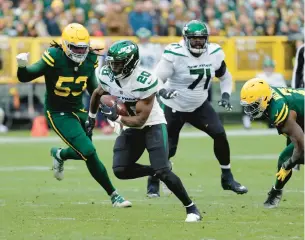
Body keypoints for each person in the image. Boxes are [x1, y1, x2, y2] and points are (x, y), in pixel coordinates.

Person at [16, 23, 131, 208]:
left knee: (85, 152)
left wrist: (109, 109)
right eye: (75, 47)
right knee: (89, 152)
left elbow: (93, 87)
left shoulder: (90, 57)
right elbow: (27, 76)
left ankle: (59, 154)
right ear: (65, 45)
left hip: (79, 110)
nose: (79, 51)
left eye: (82, 48)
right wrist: (22, 66)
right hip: (58, 113)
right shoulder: (54, 56)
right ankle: (114, 195)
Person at [86, 40, 202, 222]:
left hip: (152, 124)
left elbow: (140, 119)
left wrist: (116, 117)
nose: (112, 67)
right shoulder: (106, 74)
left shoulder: (145, 81)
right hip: (130, 124)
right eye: (111, 62)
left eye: (118, 63)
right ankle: (155, 171)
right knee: (120, 170)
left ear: (131, 63)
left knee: (163, 171)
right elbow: (97, 93)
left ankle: (191, 208)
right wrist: (91, 118)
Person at [147, 20, 248, 197]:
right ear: (185, 39)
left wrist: (225, 95)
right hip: (174, 106)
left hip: (199, 105)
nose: (198, 42)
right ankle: (154, 180)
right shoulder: (175, 53)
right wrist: (163, 92)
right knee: (168, 149)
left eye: (201, 39)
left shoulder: (214, 52)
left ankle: (227, 177)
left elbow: (225, 77)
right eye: (194, 39)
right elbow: (156, 80)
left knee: (219, 134)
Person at [240, 78, 304, 208]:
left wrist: (288, 165)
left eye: (253, 105)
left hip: (299, 123)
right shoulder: (268, 96)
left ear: (264, 100)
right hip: (300, 119)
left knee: (287, 159)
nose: (250, 109)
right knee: (286, 159)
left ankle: (275, 192)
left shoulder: (278, 109)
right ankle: (276, 191)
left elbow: (301, 147)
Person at [243, 57, 287, 129]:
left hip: (274, 102)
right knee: (247, 100)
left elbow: (284, 90)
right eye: (266, 67)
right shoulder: (259, 76)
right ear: (264, 67)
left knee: (271, 126)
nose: (268, 69)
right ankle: (247, 122)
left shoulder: (278, 76)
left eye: (270, 67)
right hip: (260, 101)